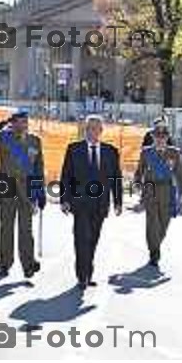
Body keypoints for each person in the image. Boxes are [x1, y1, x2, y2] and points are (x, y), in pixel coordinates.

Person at [0, 110, 45, 279]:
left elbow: (38, 169)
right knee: (6, 228)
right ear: (12, 123)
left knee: (26, 230)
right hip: (5, 185)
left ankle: (28, 265)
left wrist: (39, 194)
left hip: (26, 188)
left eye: (25, 122)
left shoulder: (35, 141)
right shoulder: (3, 137)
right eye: (19, 122)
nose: (23, 125)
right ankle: (5, 263)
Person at [60, 115, 122, 290]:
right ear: (84, 130)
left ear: (101, 131)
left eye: (95, 128)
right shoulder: (74, 149)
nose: (92, 132)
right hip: (79, 203)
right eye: (89, 128)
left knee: (93, 240)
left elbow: (116, 178)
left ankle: (88, 272)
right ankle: (82, 276)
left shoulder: (111, 151)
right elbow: (66, 176)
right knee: (81, 239)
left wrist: (118, 202)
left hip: (100, 204)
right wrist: (64, 200)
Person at [135, 122, 182, 268]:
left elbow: (180, 175)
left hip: (167, 191)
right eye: (157, 136)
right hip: (150, 189)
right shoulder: (146, 152)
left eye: (163, 136)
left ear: (167, 137)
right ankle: (154, 252)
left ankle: (156, 245)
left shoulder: (174, 153)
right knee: (152, 223)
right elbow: (139, 172)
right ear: (152, 137)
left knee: (164, 224)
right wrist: (137, 185)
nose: (160, 139)